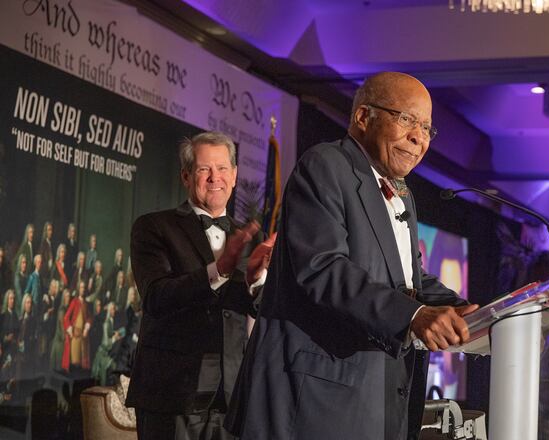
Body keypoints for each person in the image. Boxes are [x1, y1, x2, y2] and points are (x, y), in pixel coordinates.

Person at [228, 72, 477, 440]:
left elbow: (410, 279)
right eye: (407, 120)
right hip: (316, 401)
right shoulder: (325, 166)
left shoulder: (402, 193)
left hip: (375, 399)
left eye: (427, 128)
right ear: (363, 118)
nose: (419, 138)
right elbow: (323, 268)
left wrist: (471, 312)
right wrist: (415, 315)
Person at [125, 131, 276, 440]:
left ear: (234, 176)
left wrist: (255, 282)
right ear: (186, 176)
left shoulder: (251, 238)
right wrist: (218, 270)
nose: (214, 178)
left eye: (222, 169)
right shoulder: (154, 227)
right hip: (172, 393)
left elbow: (260, 309)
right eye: (204, 169)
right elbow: (156, 297)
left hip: (232, 396)